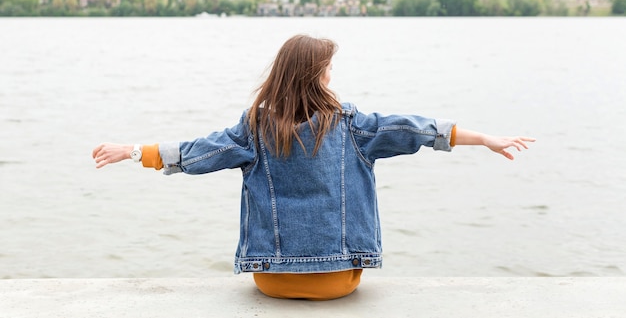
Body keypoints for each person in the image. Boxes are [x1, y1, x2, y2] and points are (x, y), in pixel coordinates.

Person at [92, 34, 534, 301]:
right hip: (340, 280)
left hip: (271, 280)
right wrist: (485, 139)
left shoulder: (253, 129)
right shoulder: (354, 126)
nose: (330, 79)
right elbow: (418, 130)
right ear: (315, 76)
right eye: (327, 71)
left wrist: (131, 151)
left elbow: (194, 154)